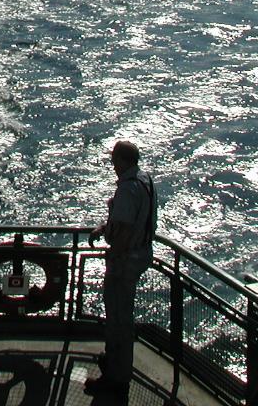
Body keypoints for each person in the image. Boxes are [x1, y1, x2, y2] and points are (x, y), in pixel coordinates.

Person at [85, 140, 157, 399]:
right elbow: (129, 219)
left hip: (125, 262)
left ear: (123, 161)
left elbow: (124, 230)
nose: (112, 165)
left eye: (114, 160)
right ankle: (116, 365)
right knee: (121, 318)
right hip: (140, 255)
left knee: (117, 321)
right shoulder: (144, 181)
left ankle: (116, 377)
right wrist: (105, 227)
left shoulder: (127, 189)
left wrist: (112, 257)